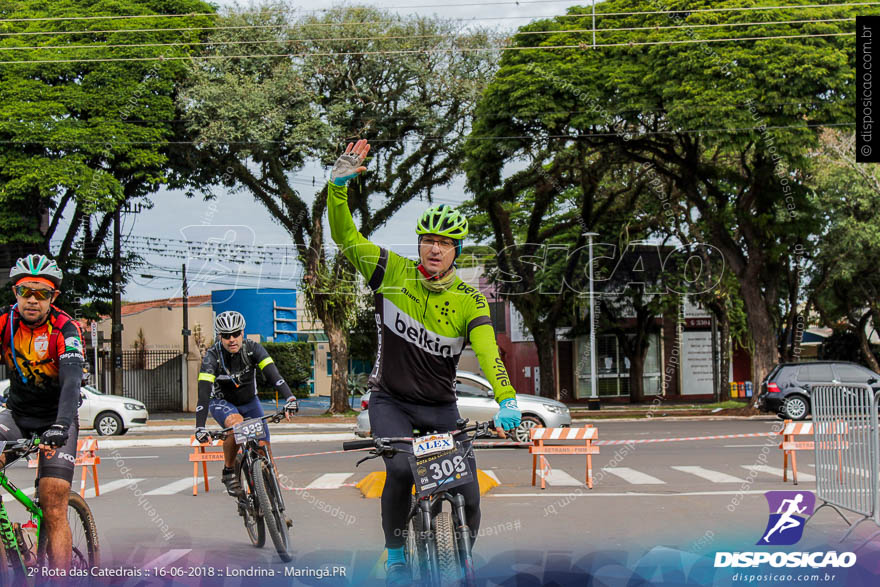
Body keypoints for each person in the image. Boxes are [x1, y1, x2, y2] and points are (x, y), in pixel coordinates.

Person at [327, 139, 522, 586]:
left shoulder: (470, 299)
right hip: (390, 401)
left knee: (469, 494)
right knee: (398, 470)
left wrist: (506, 399)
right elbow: (346, 237)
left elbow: (489, 352)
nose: (435, 249)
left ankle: (463, 557)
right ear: (419, 244)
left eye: (445, 243)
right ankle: (396, 555)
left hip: (439, 408)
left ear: (457, 250)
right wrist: (337, 189)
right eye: (428, 241)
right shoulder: (391, 272)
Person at [0, 254, 84, 569]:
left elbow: (72, 381)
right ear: (15, 293)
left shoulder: (66, 327)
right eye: (26, 292)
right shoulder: (4, 323)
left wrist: (61, 425)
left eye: (42, 293)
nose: (33, 300)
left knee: (53, 501)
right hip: (17, 416)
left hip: (56, 419)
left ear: (54, 297)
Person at [194, 311, 298, 497]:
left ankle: (276, 509)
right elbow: (202, 395)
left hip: (250, 401)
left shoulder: (253, 349)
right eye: (226, 336)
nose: (232, 339)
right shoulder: (211, 357)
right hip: (222, 403)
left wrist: (290, 398)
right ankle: (228, 471)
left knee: (265, 451)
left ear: (243, 333)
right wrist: (199, 427)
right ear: (220, 337)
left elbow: (275, 377)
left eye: (236, 334)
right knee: (237, 424)